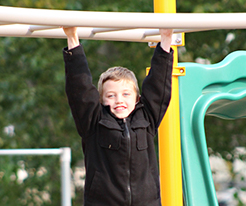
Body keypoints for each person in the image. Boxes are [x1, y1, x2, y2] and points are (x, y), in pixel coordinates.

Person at [63, 27, 174, 206]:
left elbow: (159, 85)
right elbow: (80, 90)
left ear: (137, 99)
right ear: (101, 100)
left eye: (125, 94)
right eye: (111, 95)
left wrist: (166, 40)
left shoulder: (146, 119)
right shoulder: (94, 122)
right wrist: (72, 38)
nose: (119, 100)